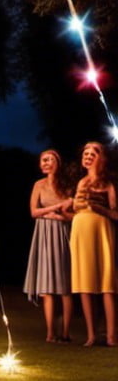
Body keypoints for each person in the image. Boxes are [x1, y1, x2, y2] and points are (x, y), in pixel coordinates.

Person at [22, 149, 75, 342]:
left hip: (61, 232)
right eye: (43, 160)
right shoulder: (39, 185)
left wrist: (60, 215)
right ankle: (50, 333)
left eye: (50, 159)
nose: (46, 163)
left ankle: (66, 332)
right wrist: (53, 210)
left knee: (64, 285)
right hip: (43, 233)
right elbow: (34, 212)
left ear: (57, 163)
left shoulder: (66, 186)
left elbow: (73, 213)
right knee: (46, 285)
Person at [70, 141, 117, 347]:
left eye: (93, 153)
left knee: (106, 282)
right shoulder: (81, 182)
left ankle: (111, 336)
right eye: (86, 153)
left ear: (101, 159)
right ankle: (91, 335)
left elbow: (115, 213)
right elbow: (76, 207)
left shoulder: (109, 184)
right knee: (84, 281)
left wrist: (101, 210)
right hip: (81, 230)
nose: (88, 156)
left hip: (102, 230)